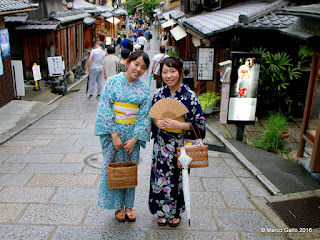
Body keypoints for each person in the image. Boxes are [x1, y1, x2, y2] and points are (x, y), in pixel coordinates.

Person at [95, 51, 151, 222]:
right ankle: (118, 206)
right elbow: (105, 108)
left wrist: (135, 139)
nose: (138, 69)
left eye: (143, 67)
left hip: (132, 137)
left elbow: (145, 115)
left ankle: (129, 206)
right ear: (128, 62)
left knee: (129, 170)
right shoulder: (112, 82)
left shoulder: (144, 88)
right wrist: (113, 135)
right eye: (136, 64)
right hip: (113, 136)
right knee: (114, 169)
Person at [148, 57, 206, 227]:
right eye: (165, 71)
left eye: (173, 71)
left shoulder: (190, 97)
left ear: (181, 72)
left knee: (178, 179)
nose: (168, 75)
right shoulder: (158, 95)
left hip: (181, 147)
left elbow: (200, 125)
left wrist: (180, 124)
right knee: (160, 177)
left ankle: (175, 212)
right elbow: (152, 117)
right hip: (161, 146)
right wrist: (155, 122)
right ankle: (160, 211)